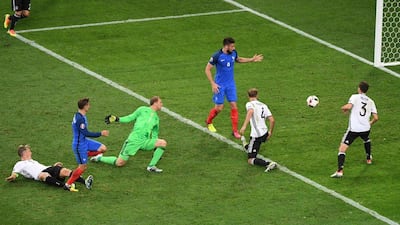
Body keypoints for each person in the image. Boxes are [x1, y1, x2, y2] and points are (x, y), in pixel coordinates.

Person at [205, 37, 263, 139]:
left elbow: (238, 59)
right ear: (226, 46)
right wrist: (213, 83)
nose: (233, 47)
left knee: (234, 106)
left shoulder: (233, 53)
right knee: (219, 108)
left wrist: (251, 59)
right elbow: (207, 69)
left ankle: (235, 131)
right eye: (232, 46)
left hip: (231, 84)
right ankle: (209, 121)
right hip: (220, 85)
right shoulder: (217, 56)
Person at [92, 96, 167, 173]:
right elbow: (130, 117)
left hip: (145, 141)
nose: (162, 104)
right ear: (155, 103)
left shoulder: (156, 118)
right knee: (119, 163)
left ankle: (151, 166)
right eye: (160, 102)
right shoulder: (142, 109)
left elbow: (155, 134)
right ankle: (99, 158)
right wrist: (117, 119)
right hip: (134, 140)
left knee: (162, 143)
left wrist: (155, 148)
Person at [331, 81, 378, 178]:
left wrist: (343, 108)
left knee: (342, 149)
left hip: (354, 129)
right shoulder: (371, 101)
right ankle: (368, 158)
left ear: (359, 89)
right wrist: (370, 123)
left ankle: (340, 171)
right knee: (366, 139)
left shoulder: (355, 97)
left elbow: (349, 106)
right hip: (365, 128)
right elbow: (376, 118)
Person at [5, 144, 93, 192]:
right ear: (25, 153)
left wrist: (54, 166)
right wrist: (13, 177)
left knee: (65, 171)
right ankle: (66, 186)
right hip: (40, 174)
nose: (31, 152)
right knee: (43, 175)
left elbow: (43, 167)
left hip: (49, 168)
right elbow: (15, 173)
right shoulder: (20, 163)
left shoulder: (33, 161)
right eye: (29, 151)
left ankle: (85, 182)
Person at [64, 98, 109, 190]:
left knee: (103, 148)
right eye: (88, 105)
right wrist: (101, 133)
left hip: (85, 141)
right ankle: (67, 185)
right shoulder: (80, 119)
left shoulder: (80, 115)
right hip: (79, 145)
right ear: (84, 106)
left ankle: (86, 154)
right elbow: (86, 133)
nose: (89, 106)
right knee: (82, 167)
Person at [239, 88, 276, 172]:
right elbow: (272, 120)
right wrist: (270, 132)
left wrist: (244, 126)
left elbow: (250, 111)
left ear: (248, 96)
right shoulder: (263, 105)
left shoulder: (249, 104)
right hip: (265, 134)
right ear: (257, 95)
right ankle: (246, 145)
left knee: (250, 159)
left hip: (257, 136)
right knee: (252, 147)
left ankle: (268, 163)